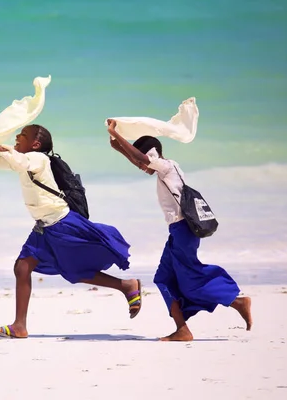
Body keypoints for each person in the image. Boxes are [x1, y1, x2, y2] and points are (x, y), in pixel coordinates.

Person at [0, 124, 142, 339]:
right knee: (23, 267)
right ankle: (19, 326)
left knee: (74, 271)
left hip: (61, 223)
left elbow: (17, 159)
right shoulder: (21, 159)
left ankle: (126, 285)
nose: (17, 138)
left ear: (35, 144)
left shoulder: (38, 159)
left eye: (23, 136)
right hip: (44, 226)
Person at [106, 119, 252, 341]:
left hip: (184, 230)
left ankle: (237, 300)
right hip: (177, 232)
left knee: (191, 277)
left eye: (143, 163)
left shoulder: (167, 166)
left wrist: (117, 136)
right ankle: (182, 329)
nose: (141, 168)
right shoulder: (163, 170)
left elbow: (140, 158)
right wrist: (115, 140)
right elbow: (137, 158)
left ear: (152, 155)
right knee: (163, 278)